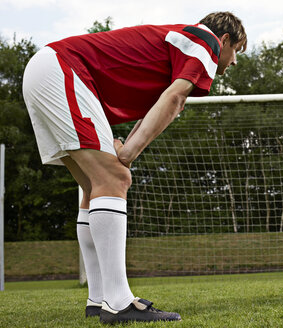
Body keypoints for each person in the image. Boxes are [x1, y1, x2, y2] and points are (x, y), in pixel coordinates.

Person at [22, 11, 247, 324]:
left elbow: (163, 103)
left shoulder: (178, 46)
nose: (234, 61)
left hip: (50, 70)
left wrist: (126, 150)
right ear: (224, 40)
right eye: (237, 51)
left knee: (93, 187)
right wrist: (125, 156)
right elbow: (175, 98)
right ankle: (118, 302)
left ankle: (99, 298)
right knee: (114, 177)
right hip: (62, 69)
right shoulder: (205, 40)